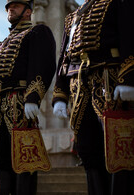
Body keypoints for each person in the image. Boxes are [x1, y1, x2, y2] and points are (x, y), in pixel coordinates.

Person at [52, 0, 134, 194]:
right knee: (88, 150)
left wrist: (128, 78)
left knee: (118, 149)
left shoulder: (118, 3)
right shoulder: (74, 16)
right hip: (79, 87)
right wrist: (60, 94)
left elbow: (130, 37)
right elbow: (65, 57)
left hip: (109, 81)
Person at [0, 0, 56, 194]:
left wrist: (33, 97)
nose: (10, 9)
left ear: (28, 12)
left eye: (16, 6)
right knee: (3, 162)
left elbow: (42, 65)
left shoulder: (37, 33)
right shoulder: (0, 45)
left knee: (25, 161)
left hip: (20, 104)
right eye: (8, 7)